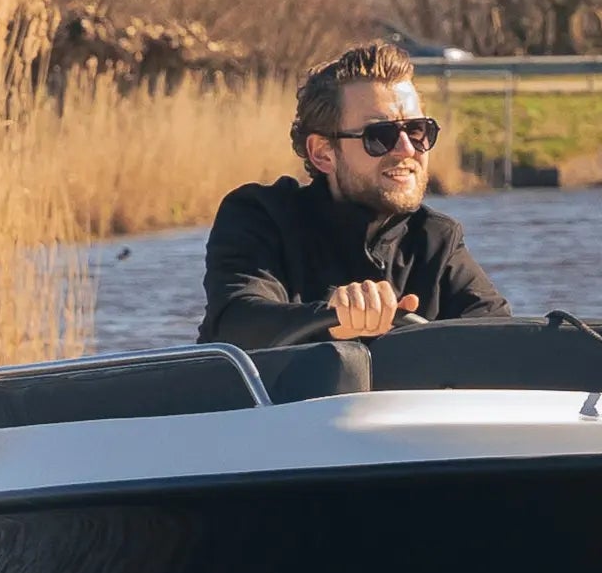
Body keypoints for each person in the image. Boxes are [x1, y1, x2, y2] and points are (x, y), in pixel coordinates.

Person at [200, 45, 510, 347]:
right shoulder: (260, 217)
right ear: (323, 153)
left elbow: (502, 338)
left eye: (417, 131)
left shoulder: (436, 240)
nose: (406, 149)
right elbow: (235, 322)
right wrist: (331, 320)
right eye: (380, 136)